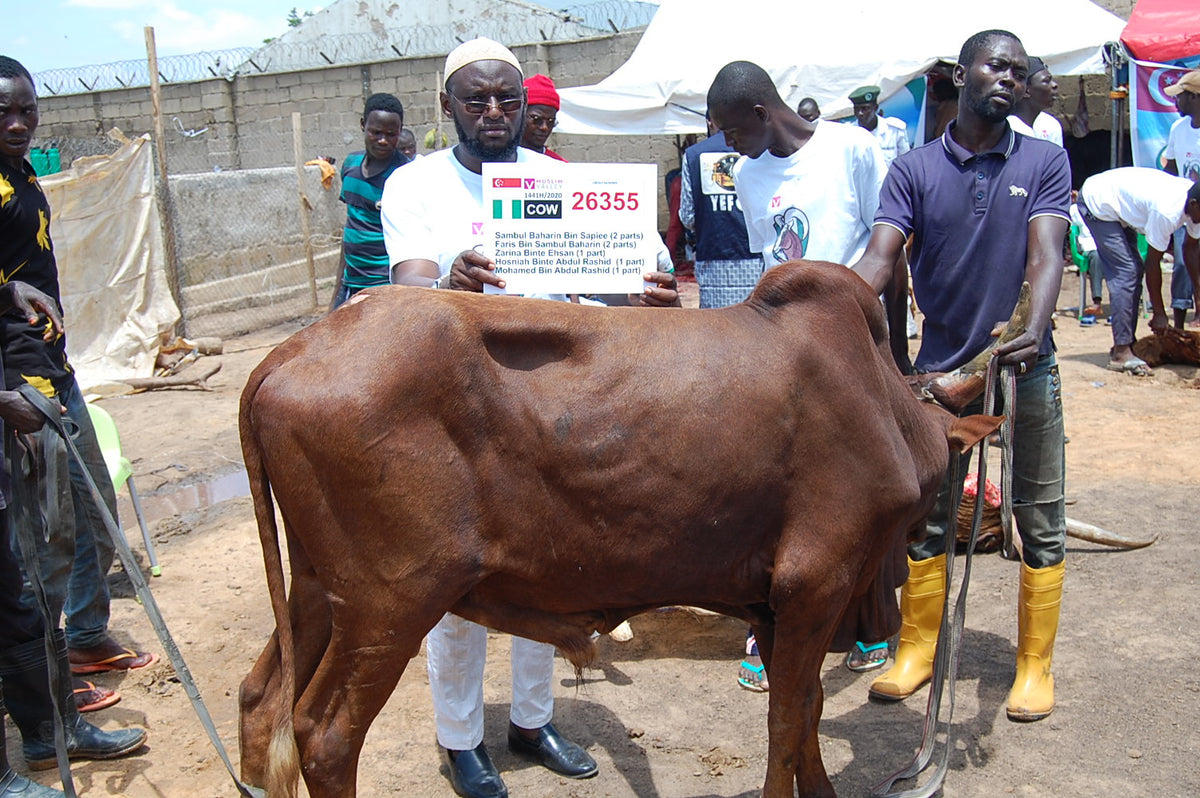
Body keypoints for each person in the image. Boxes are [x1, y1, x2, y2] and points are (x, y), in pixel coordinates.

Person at [380, 38, 677, 798]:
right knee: (460, 581)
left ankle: (535, 720)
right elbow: (409, 293)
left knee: (551, 569)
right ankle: (461, 738)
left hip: (554, 411)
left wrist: (649, 294)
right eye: (475, 99)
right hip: (456, 420)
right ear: (446, 106)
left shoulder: (562, 182)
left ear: (526, 104)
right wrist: (450, 282)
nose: (492, 112)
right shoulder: (414, 185)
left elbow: (627, 281)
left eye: (506, 98)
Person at [851, 29, 1072, 723]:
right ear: (960, 73)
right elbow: (880, 260)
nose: (1008, 77)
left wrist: (1033, 325)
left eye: (1018, 69)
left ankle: (1034, 665)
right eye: (994, 65)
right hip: (942, 381)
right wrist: (832, 311)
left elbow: (1046, 254)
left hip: (1024, 370)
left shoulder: (1042, 159)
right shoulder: (913, 168)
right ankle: (916, 648)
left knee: (1039, 516)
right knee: (928, 518)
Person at [706, 60, 889, 689]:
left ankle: (871, 626)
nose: (727, 147)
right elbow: (773, 260)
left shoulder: (852, 149)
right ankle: (766, 634)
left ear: (761, 113)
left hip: (856, 344)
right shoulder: (751, 175)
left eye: (731, 131)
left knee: (864, 490)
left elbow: (891, 237)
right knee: (778, 487)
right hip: (788, 355)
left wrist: (863, 320)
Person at [0, 55, 156, 714]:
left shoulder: (21, 172)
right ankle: (51, 691)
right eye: (3, 111)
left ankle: (88, 635)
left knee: (94, 510)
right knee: (46, 543)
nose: (17, 122)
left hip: (56, 371)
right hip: (19, 389)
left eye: (26, 108)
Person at [1077, 167, 1200, 375]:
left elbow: (1191, 251)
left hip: (1121, 207)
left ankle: (1127, 344)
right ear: (1194, 205)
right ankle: (1121, 352)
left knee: (1132, 269)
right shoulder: (1167, 212)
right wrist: (1159, 313)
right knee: (1127, 272)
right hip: (1097, 201)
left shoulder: (1194, 202)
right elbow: (1153, 264)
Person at [328, 93, 409, 310]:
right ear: (363, 125)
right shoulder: (350, 166)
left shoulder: (405, 175)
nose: (383, 140)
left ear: (400, 132)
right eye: (376, 132)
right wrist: (337, 291)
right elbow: (351, 227)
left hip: (385, 286)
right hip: (351, 283)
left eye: (391, 134)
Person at [678, 115, 759, 308]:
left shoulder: (694, 154)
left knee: (716, 331)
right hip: (757, 261)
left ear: (709, 121)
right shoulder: (758, 150)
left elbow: (688, 216)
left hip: (713, 263)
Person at [1164, 70, 1200, 328]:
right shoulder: (1178, 128)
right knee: (1181, 264)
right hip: (1184, 208)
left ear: (1196, 97)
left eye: (1181, 97)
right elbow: (1172, 167)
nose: (1176, 102)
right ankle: (1178, 320)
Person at [849, 85, 911, 166]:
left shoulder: (894, 131)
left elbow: (905, 163)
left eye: (865, 108)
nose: (860, 113)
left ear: (875, 108)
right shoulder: (849, 133)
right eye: (856, 109)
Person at [1007, 56, 1063, 146]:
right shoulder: (1008, 129)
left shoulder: (1050, 124)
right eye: (1046, 81)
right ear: (1025, 90)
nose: (1055, 85)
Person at [519, 74, 565, 161]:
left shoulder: (559, 165)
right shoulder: (498, 161)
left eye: (551, 122)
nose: (545, 127)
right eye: (537, 119)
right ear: (520, 115)